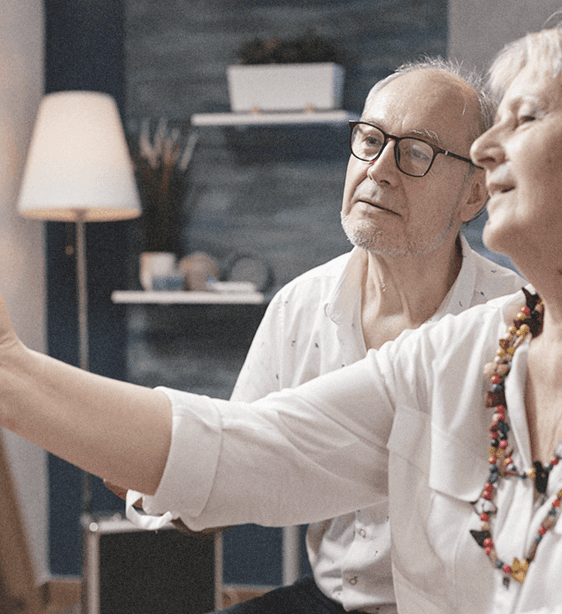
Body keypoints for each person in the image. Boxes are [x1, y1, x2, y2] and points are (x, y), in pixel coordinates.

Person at [0, 17, 562, 613]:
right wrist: (1, 369)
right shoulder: (467, 349)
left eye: (524, 119)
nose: (490, 151)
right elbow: (249, 447)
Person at [219, 60, 525, 614]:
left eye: (415, 153)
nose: (379, 169)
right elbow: (236, 461)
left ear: (473, 195)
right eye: (369, 140)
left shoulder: (516, 321)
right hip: (332, 599)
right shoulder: (299, 305)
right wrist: (154, 477)